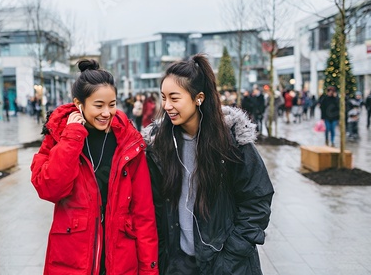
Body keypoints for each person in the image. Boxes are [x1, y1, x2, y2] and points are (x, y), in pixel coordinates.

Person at [143, 54, 274, 274]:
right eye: (163, 97)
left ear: (198, 98)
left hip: (226, 265)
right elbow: (155, 208)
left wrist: (231, 255)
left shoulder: (231, 142)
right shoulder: (159, 146)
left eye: (174, 98)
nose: (166, 105)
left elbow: (257, 200)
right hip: (179, 265)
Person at [30, 59, 159, 275]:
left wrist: (149, 270)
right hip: (73, 259)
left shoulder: (128, 142)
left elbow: (143, 214)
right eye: (98, 105)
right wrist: (72, 138)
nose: (106, 113)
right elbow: (49, 188)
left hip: (120, 260)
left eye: (112, 104)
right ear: (79, 103)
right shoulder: (59, 136)